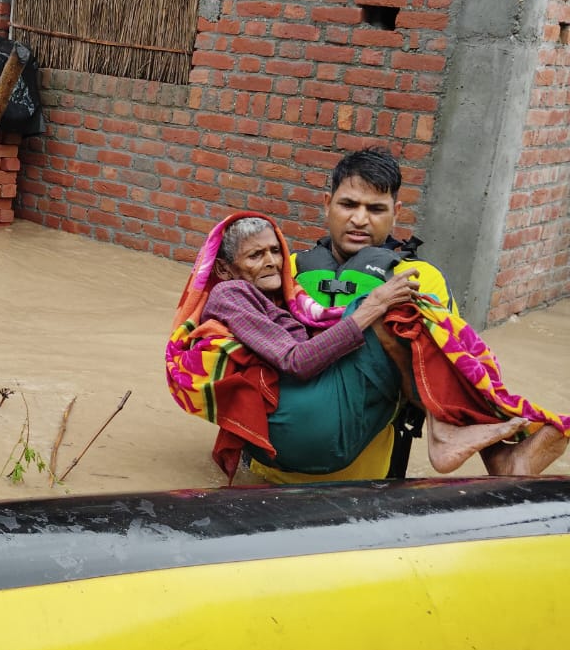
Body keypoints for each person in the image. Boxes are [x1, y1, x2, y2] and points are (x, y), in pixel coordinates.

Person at [166, 212, 569, 481]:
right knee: (392, 312)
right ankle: (466, 442)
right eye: (256, 255)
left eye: (275, 250)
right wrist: (373, 304)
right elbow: (296, 359)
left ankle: (469, 442)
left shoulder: (285, 300)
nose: (271, 261)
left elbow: (309, 345)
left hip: (313, 434)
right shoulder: (231, 295)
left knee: (396, 318)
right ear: (223, 268)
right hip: (296, 431)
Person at [286, 146, 569, 480]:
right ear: (326, 204)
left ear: (396, 212)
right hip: (274, 457)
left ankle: (485, 445)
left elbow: (453, 370)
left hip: (366, 476)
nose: (359, 219)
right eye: (348, 204)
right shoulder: (286, 271)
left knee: (419, 322)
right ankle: (491, 452)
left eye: (375, 209)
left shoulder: (419, 278)